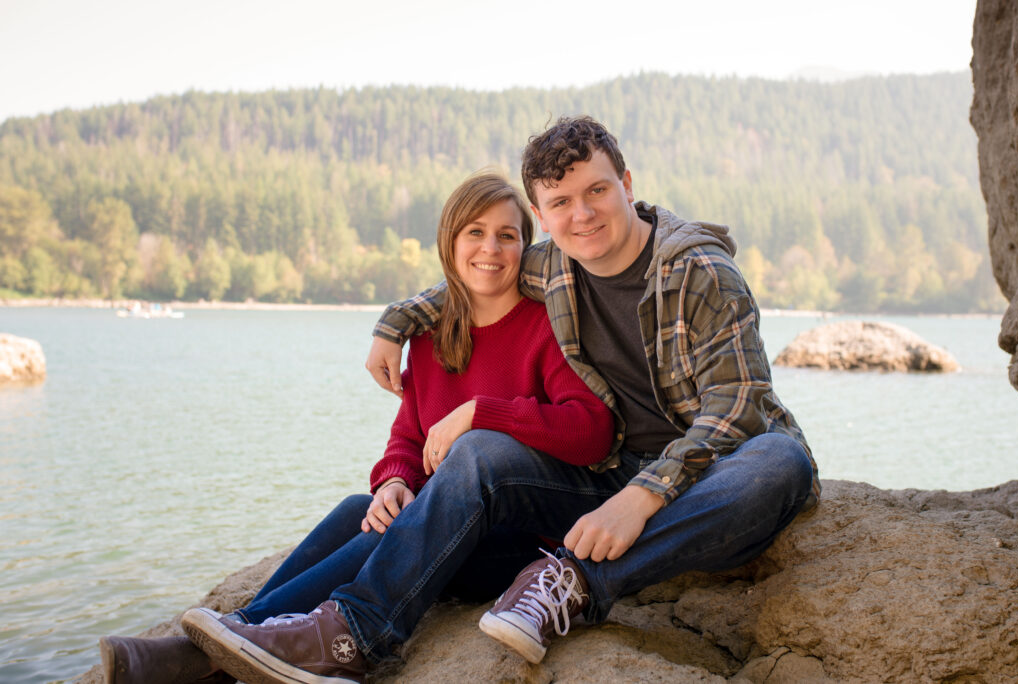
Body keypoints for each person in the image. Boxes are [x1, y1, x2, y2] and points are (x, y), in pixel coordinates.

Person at [179, 116, 819, 684]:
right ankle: (349, 633)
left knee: (778, 463)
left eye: (597, 190)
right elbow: (473, 272)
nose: (584, 214)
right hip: (601, 478)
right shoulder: (554, 263)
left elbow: (738, 408)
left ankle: (573, 583)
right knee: (474, 455)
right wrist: (396, 322)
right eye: (561, 202)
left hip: (704, 483)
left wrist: (643, 495)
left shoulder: (699, 272)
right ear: (543, 215)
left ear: (627, 181)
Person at [98, 172, 613, 684]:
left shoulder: (545, 325)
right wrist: (392, 480)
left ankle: (306, 641)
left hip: (519, 543)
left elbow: (592, 430)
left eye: (508, 235)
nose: (491, 248)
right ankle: (233, 638)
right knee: (359, 510)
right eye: (474, 232)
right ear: (450, 242)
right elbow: (408, 438)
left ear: (526, 247)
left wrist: (484, 411)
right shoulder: (431, 336)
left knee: (422, 502)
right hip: (440, 530)